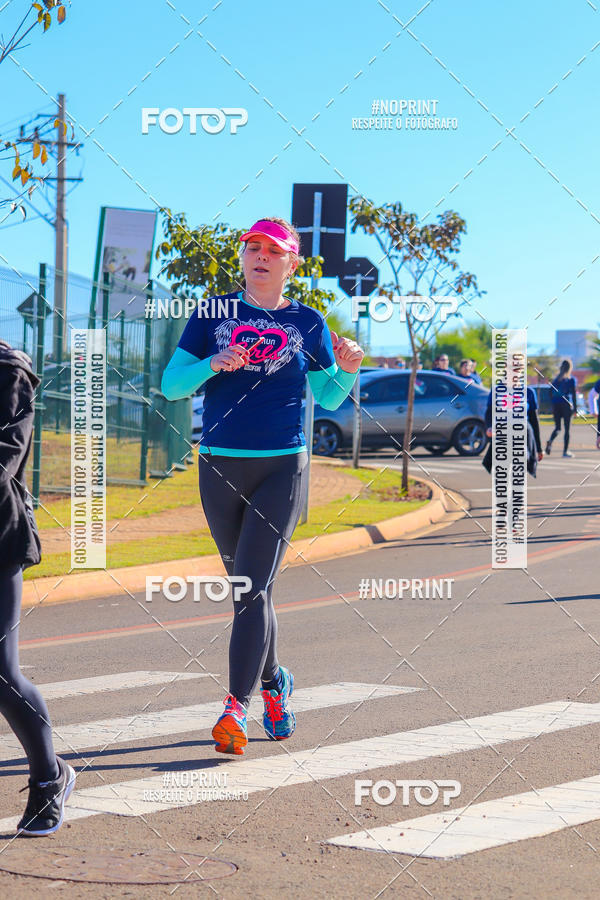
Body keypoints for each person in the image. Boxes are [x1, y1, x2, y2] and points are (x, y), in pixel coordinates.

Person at [161, 217, 364, 755]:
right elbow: (171, 386)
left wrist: (347, 369)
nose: (260, 256)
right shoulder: (212, 314)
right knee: (249, 591)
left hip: (281, 469)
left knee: (251, 589)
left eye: (273, 251)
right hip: (219, 467)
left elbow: (331, 395)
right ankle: (275, 683)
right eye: (252, 247)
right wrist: (212, 363)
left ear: (291, 263)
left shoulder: (309, 321)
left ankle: (235, 708)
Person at [0, 340, 76, 834]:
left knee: (1, 674)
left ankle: (50, 777)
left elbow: (5, 455)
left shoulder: (8, 372)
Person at [483, 385, 544, 476]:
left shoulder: (529, 392)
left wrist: (539, 448)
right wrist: (489, 427)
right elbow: (489, 413)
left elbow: (534, 421)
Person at [545, 359, 578, 458]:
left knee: (558, 428)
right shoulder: (571, 380)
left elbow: (550, 392)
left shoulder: (555, 380)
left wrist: (553, 403)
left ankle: (550, 440)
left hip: (556, 405)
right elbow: (573, 394)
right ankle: (565, 451)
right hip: (566, 405)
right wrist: (575, 409)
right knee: (567, 429)